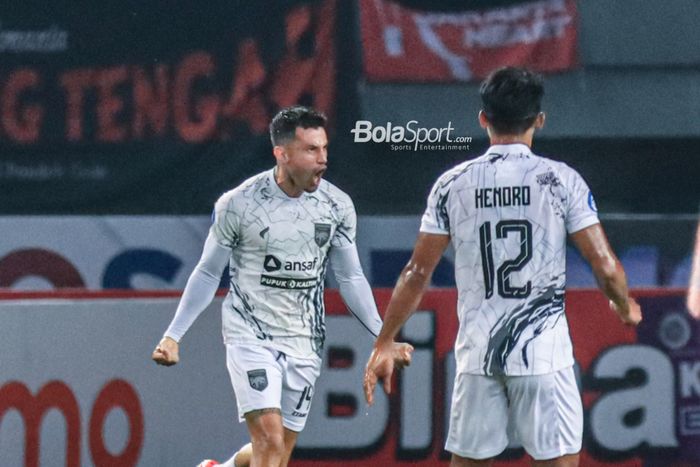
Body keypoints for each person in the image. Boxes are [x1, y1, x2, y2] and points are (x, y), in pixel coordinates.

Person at [363, 67, 642, 467]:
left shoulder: (452, 184)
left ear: (483, 119)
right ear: (539, 120)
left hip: (479, 356)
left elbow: (415, 273)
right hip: (544, 356)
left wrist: (385, 340)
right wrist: (623, 303)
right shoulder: (560, 180)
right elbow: (605, 265)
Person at [152, 105, 413, 467]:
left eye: (324, 149)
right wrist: (173, 335)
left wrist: (381, 338)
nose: (322, 160)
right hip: (251, 336)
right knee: (270, 441)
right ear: (282, 154)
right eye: (311, 150)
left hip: (305, 342)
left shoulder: (336, 206)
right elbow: (209, 272)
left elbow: (351, 277)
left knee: (275, 452)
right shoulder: (238, 204)